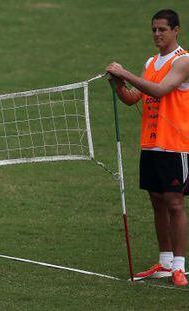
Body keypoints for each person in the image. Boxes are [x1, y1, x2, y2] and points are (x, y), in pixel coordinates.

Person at [106, 9, 189, 286]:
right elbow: (133, 98)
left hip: (175, 145)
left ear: (176, 30)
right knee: (157, 202)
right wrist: (119, 86)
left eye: (162, 29)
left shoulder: (183, 61)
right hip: (151, 143)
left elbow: (159, 91)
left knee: (175, 203)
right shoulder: (152, 62)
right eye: (153, 29)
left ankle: (179, 266)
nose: (156, 34)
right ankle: (165, 263)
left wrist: (125, 73)